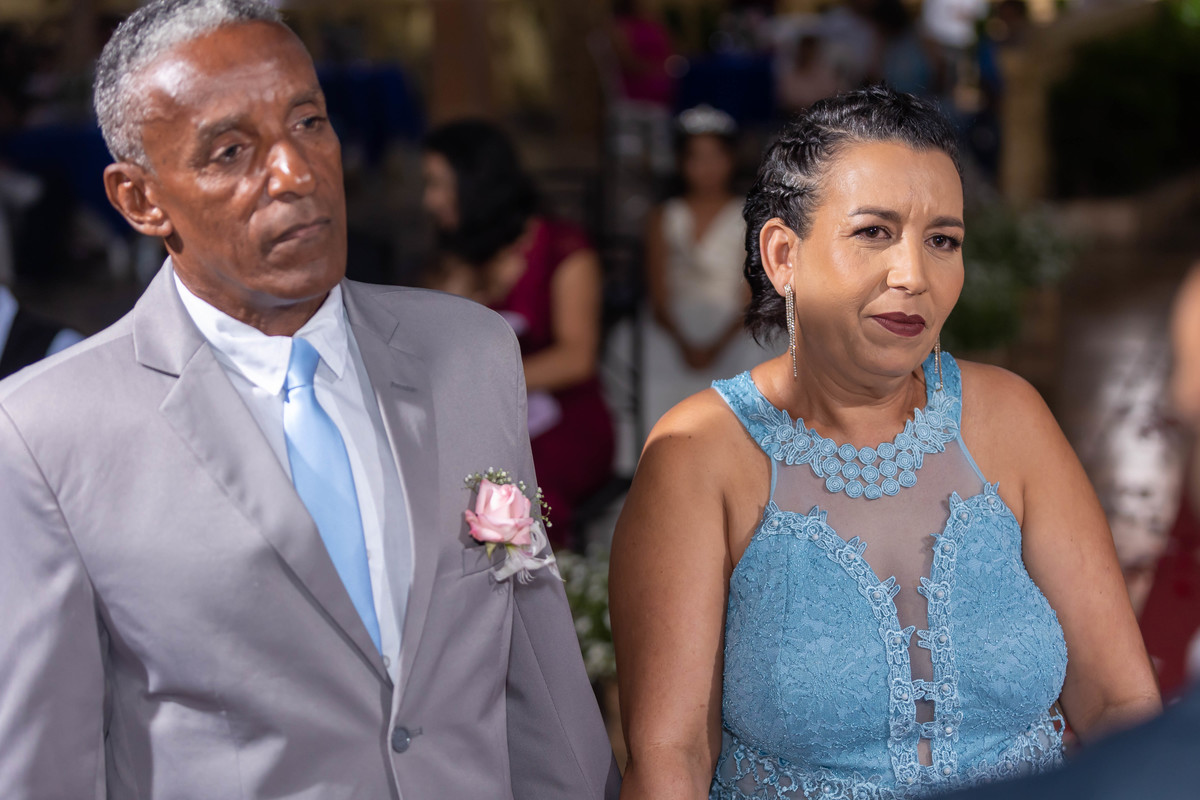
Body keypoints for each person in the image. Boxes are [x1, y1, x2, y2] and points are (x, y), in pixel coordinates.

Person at [0, 2, 619, 798]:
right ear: (139, 200)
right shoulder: (44, 433)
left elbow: (534, 658)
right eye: (231, 151)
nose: (296, 172)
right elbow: (48, 766)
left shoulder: (470, 353)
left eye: (309, 123)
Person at [609, 86, 1159, 800]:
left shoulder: (1010, 419)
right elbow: (670, 759)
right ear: (783, 255)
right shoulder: (700, 455)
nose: (914, 276)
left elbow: (1120, 703)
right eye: (874, 232)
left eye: (943, 241)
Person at [422, 119, 615, 549]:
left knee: (506, 486)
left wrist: (480, 383)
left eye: (437, 184)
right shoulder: (456, 257)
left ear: (475, 185)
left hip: (565, 420)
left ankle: (530, 583)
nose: (428, 200)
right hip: (480, 418)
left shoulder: (564, 249)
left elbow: (576, 358)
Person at [641, 104, 765, 434]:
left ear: (731, 159)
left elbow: (749, 293)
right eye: (696, 158)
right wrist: (683, 342)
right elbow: (658, 293)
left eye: (715, 157)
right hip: (672, 326)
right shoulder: (664, 216)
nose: (706, 168)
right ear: (681, 163)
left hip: (734, 324)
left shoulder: (748, 216)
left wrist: (717, 345)